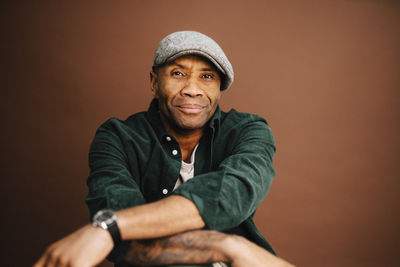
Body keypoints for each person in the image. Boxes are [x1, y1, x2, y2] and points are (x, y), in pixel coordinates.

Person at [34, 31, 294, 267]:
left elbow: (231, 195)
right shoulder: (117, 137)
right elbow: (123, 239)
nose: (192, 90)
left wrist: (111, 228)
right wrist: (229, 247)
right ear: (154, 82)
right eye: (178, 73)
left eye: (207, 76)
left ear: (219, 88)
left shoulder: (249, 130)